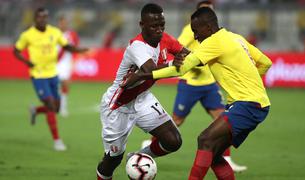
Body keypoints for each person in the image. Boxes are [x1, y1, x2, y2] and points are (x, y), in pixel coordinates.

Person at [122, 7, 272, 180]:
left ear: (208, 27)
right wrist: (251, 81)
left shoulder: (214, 42)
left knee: (204, 139)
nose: (195, 36)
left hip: (248, 104)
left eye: (196, 31)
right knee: (213, 154)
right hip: (253, 103)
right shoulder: (235, 37)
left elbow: (181, 69)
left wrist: (145, 74)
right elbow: (265, 63)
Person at [141, 0, 246, 173]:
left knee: (223, 120)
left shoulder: (215, 33)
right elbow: (179, 48)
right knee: (177, 120)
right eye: (205, 9)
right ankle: (152, 144)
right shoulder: (190, 30)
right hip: (190, 84)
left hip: (209, 85)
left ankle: (226, 159)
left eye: (210, 10)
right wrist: (191, 63)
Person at [96, 3, 188, 180]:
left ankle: (138, 157)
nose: (159, 30)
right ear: (142, 25)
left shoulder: (165, 39)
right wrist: (172, 64)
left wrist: (201, 57)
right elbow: (150, 71)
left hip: (142, 98)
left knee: (173, 140)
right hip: (118, 105)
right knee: (113, 159)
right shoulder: (136, 47)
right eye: (154, 26)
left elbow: (188, 55)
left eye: (162, 25)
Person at [13, 7, 88, 151]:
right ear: (35, 18)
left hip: (52, 74)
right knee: (50, 105)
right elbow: (16, 51)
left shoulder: (54, 32)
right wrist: (27, 62)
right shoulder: (27, 35)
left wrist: (79, 50)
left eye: (45, 17)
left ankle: (35, 110)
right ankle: (57, 141)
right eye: (40, 17)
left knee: (56, 107)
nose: (43, 19)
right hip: (38, 75)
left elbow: (66, 46)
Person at [57, 15, 80, 117]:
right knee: (53, 85)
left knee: (65, 84)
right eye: (62, 22)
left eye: (65, 22)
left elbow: (76, 47)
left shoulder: (72, 35)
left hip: (66, 62)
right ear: (59, 23)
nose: (64, 24)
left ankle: (63, 107)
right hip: (53, 62)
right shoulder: (54, 33)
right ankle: (54, 105)